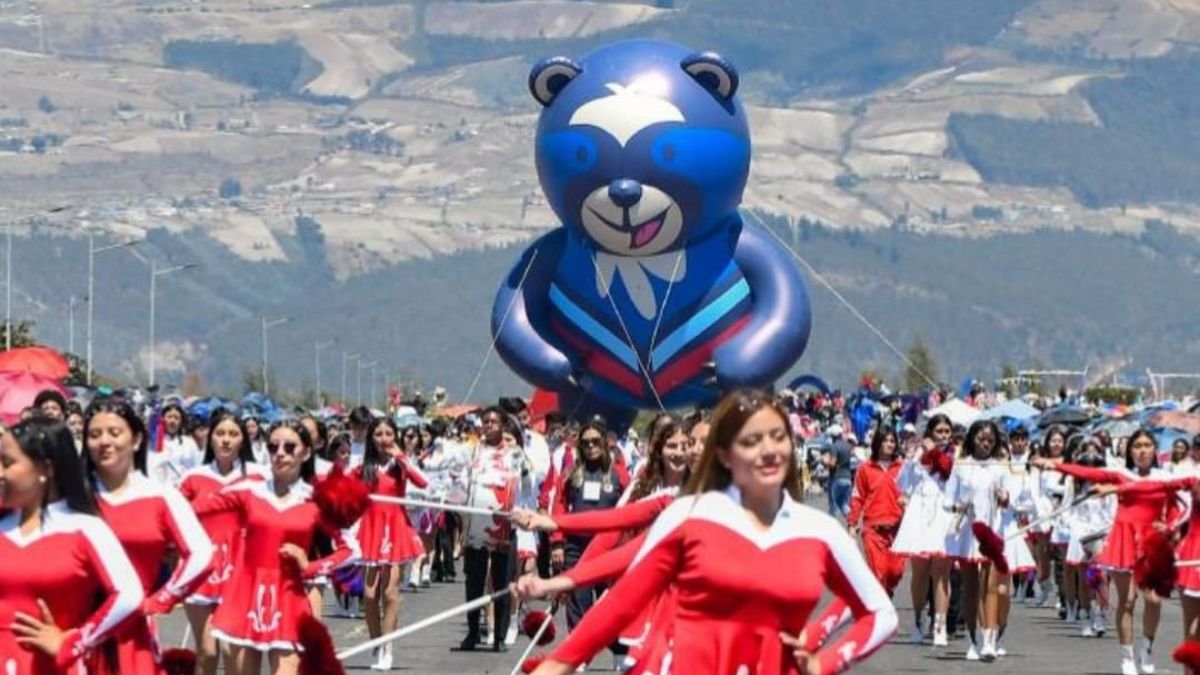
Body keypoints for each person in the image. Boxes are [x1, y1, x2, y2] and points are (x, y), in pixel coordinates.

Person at [531, 389, 897, 675]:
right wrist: (556, 663)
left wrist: (824, 662)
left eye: (777, 437)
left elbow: (880, 612)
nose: (768, 450)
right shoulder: (689, 515)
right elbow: (619, 601)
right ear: (723, 455)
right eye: (751, 441)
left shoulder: (820, 530)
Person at [202, 419, 359, 675]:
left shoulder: (315, 500)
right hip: (246, 593)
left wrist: (311, 566)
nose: (280, 453)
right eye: (273, 447)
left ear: (306, 452)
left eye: (289, 447)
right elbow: (195, 511)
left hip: (289, 597)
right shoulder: (248, 490)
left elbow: (351, 549)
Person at [1, 416, 145, 675]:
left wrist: (75, 642)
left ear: (46, 469)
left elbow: (129, 596)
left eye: (7, 463)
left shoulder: (86, 528)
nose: (0, 472)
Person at [83, 396, 214, 675]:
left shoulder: (160, 495)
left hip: (132, 633)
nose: (104, 441)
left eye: (114, 432)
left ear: (137, 439)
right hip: (73, 629)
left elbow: (202, 555)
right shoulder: (70, 498)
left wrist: (161, 599)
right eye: (94, 435)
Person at [1033, 429, 1178, 675]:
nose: (1142, 450)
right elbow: (1089, 472)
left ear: (1154, 450)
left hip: (1152, 543)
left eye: (1147, 445)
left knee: (1153, 600)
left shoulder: (1165, 476)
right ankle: (1127, 657)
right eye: (1137, 446)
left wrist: (1171, 527)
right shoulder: (1121, 474)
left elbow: (1176, 507)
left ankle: (1147, 649)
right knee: (1127, 600)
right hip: (1125, 539)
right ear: (1130, 450)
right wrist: (1053, 465)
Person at [178, 411, 267, 675]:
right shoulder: (193, 477)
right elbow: (174, 519)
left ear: (243, 439)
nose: (226, 440)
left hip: (242, 572)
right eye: (220, 434)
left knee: (233, 652)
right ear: (210, 438)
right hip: (202, 571)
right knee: (207, 652)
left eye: (233, 434)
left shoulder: (259, 477)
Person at [354, 416, 428, 670]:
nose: (383, 439)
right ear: (371, 438)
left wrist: (402, 457)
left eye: (388, 433)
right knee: (369, 594)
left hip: (396, 528)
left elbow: (422, 481)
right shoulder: (365, 467)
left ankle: (387, 646)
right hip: (371, 529)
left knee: (390, 592)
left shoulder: (400, 465)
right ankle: (376, 643)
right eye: (378, 434)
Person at [459, 406, 521, 652]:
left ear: (503, 425)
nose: (489, 425)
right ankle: (473, 631)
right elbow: (461, 481)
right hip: (476, 526)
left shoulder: (514, 453)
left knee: (501, 581)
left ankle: (499, 635)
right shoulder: (472, 450)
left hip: (503, 526)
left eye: (494, 421)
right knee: (474, 581)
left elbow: (527, 481)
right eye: (485, 421)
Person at [892, 413, 956, 646]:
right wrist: (911, 459)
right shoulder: (919, 454)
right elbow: (902, 483)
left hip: (944, 513)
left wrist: (935, 451)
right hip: (920, 514)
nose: (943, 436)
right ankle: (918, 621)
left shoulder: (954, 454)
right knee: (920, 573)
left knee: (942, 573)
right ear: (930, 432)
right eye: (939, 431)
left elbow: (948, 470)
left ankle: (940, 625)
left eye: (947, 432)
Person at [847, 425, 906, 597]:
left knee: (895, 572)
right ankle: (882, 610)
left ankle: (886, 593)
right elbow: (857, 497)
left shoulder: (902, 468)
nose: (889, 444)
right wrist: (852, 523)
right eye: (885, 441)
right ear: (877, 443)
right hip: (873, 530)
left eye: (892, 441)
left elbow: (911, 493)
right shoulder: (865, 469)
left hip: (898, 530)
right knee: (879, 574)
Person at [822, 424, 853, 520]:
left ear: (833, 436)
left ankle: (832, 529)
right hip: (847, 478)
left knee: (833, 505)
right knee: (844, 503)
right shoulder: (848, 446)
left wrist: (824, 461)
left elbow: (833, 463)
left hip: (836, 477)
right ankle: (852, 522)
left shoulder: (834, 447)